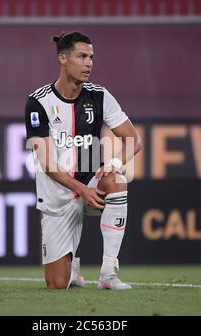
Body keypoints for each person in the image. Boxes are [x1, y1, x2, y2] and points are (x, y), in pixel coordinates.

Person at [25, 31, 142, 290]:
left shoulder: (99, 96)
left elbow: (134, 140)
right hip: (58, 196)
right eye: (81, 56)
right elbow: (47, 163)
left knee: (117, 179)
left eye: (91, 57)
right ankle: (72, 268)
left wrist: (111, 163)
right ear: (63, 59)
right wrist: (82, 190)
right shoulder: (38, 102)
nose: (89, 63)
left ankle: (108, 273)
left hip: (92, 184)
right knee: (57, 285)